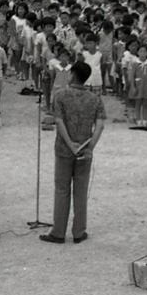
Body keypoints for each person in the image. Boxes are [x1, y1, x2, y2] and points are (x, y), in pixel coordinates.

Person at [40, 61, 105, 245]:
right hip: (84, 149)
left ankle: (58, 232)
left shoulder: (60, 96)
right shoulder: (95, 98)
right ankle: (79, 231)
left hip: (64, 148)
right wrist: (90, 146)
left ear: (73, 74)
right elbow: (100, 125)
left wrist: (70, 144)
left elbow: (59, 122)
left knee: (62, 190)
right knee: (81, 191)